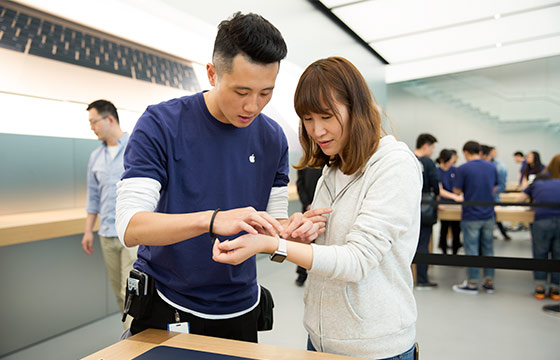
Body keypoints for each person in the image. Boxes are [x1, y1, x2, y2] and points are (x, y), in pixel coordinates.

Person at [115, 12, 324, 342]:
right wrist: (211, 220)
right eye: (241, 91)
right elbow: (130, 226)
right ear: (212, 73)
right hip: (169, 301)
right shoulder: (161, 124)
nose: (252, 106)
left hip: (240, 305)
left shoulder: (273, 138)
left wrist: (291, 234)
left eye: (265, 93)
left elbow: (274, 222)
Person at [213, 57, 421, 360]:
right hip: (322, 340)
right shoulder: (334, 168)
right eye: (308, 119)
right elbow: (326, 243)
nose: (317, 131)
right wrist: (300, 234)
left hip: (374, 347)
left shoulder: (394, 165)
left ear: (357, 107)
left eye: (326, 116)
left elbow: (357, 261)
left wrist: (272, 244)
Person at [82, 100, 137, 328]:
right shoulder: (95, 157)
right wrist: (88, 231)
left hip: (133, 233)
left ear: (110, 119)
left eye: (94, 121)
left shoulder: (137, 146)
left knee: (131, 292)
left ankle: (134, 341)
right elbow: (93, 197)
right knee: (118, 292)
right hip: (106, 233)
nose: (91, 127)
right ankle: (131, 335)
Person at [452, 141, 498, 294]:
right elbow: (495, 188)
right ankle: (489, 282)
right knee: (488, 248)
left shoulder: (463, 168)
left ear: (465, 153)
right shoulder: (491, 166)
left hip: (471, 214)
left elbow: (457, 192)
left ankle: (472, 283)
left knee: (471, 249)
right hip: (488, 213)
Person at [517, 154, 560, 301]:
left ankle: (540, 288)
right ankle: (556, 289)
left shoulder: (539, 181)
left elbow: (520, 198)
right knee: (558, 255)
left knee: (540, 253)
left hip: (542, 221)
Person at [413, 133, 440, 289]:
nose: (432, 150)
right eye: (432, 147)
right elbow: (435, 185)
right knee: (423, 243)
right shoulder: (428, 162)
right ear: (426, 146)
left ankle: (412, 278)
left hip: (409, 207)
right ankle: (422, 279)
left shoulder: (407, 157)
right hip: (425, 208)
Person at [295, 167, 323, 286]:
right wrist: (307, 204)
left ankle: (320, 273)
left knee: (320, 241)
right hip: (308, 209)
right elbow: (300, 184)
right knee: (304, 239)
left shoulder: (329, 161)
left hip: (322, 210)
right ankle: (302, 273)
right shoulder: (304, 162)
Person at [436, 149, 463, 254]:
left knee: (456, 230)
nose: (453, 161)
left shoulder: (455, 170)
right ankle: (444, 253)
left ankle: (455, 253)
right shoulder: (437, 172)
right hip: (444, 204)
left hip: (456, 205)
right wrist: (454, 197)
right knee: (444, 229)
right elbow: (439, 190)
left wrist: (458, 197)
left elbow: (459, 187)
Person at [481, 145, 511, 240]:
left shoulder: (498, 166)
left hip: (492, 196)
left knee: (493, 215)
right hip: (484, 197)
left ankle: (494, 234)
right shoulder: (484, 164)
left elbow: (500, 185)